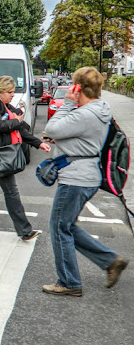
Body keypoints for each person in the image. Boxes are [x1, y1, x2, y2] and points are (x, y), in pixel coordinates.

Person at [42, 67, 128, 297]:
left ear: (78, 88)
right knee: (67, 225)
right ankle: (110, 261)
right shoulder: (100, 110)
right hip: (87, 175)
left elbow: (52, 127)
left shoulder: (84, 113)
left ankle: (69, 282)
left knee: (59, 227)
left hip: (76, 178)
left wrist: (68, 104)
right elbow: (76, 135)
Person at [0, 76, 51, 239]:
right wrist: (16, 121)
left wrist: (38, 143)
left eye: (13, 92)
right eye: (10, 92)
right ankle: (24, 230)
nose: (13, 95)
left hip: (2, 153)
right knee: (11, 191)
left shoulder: (6, 106)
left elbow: (20, 129)